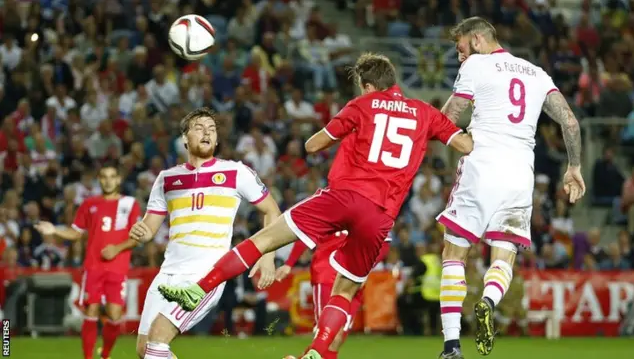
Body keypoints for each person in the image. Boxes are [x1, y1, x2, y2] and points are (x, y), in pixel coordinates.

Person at [154, 52, 474, 359]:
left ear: (366, 85)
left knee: (264, 240)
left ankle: (197, 289)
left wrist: (347, 131)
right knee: (345, 292)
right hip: (381, 218)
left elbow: (313, 145)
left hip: (343, 198)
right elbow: (465, 144)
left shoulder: (362, 105)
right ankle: (316, 353)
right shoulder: (424, 112)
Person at [435, 17, 585, 359]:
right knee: (504, 254)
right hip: (520, 175)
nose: (460, 57)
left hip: (482, 165)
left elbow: (452, 114)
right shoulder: (536, 73)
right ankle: (488, 301)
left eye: (460, 49)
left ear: (475, 40)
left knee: (454, 252)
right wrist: (573, 166)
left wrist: (427, 130)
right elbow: (570, 121)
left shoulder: (476, 64)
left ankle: (452, 345)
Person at [126, 108, 281, 359]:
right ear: (184, 139)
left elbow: (272, 211)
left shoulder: (236, 172)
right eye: (199, 128)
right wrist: (140, 231)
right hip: (167, 274)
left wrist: (268, 256)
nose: (207, 132)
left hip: (205, 274)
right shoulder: (166, 179)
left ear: (217, 140)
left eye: (212, 129)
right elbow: (149, 229)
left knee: (157, 342)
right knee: (145, 350)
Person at [34, 162, 141, 359]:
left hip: (118, 268)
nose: (108, 181)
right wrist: (55, 230)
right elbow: (76, 233)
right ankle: (88, 357)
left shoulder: (129, 204)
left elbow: (137, 237)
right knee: (91, 309)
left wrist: (116, 249)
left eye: (112, 177)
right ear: (99, 180)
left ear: (118, 179)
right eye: (104, 177)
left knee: (115, 315)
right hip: (93, 266)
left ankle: (105, 354)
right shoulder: (89, 204)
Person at [277, 231, 392, 359]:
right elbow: (306, 234)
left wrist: (367, 267)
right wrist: (289, 263)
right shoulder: (326, 211)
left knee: (338, 338)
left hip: (353, 278)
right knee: (329, 336)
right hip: (326, 274)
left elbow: (385, 243)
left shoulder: (373, 214)